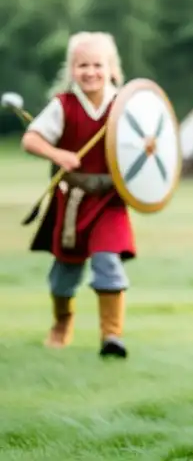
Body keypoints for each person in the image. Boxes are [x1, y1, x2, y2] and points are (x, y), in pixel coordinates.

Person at [21, 31, 135, 359]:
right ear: (72, 69)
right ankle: (62, 323)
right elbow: (31, 139)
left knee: (107, 261)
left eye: (97, 65)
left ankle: (112, 337)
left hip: (111, 201)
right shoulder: (63, 105)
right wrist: (59, 156)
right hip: (72, 201)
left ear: (111, 68)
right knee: (64, 277)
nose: (90, 72)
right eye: (82, 65)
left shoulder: (124, 105)